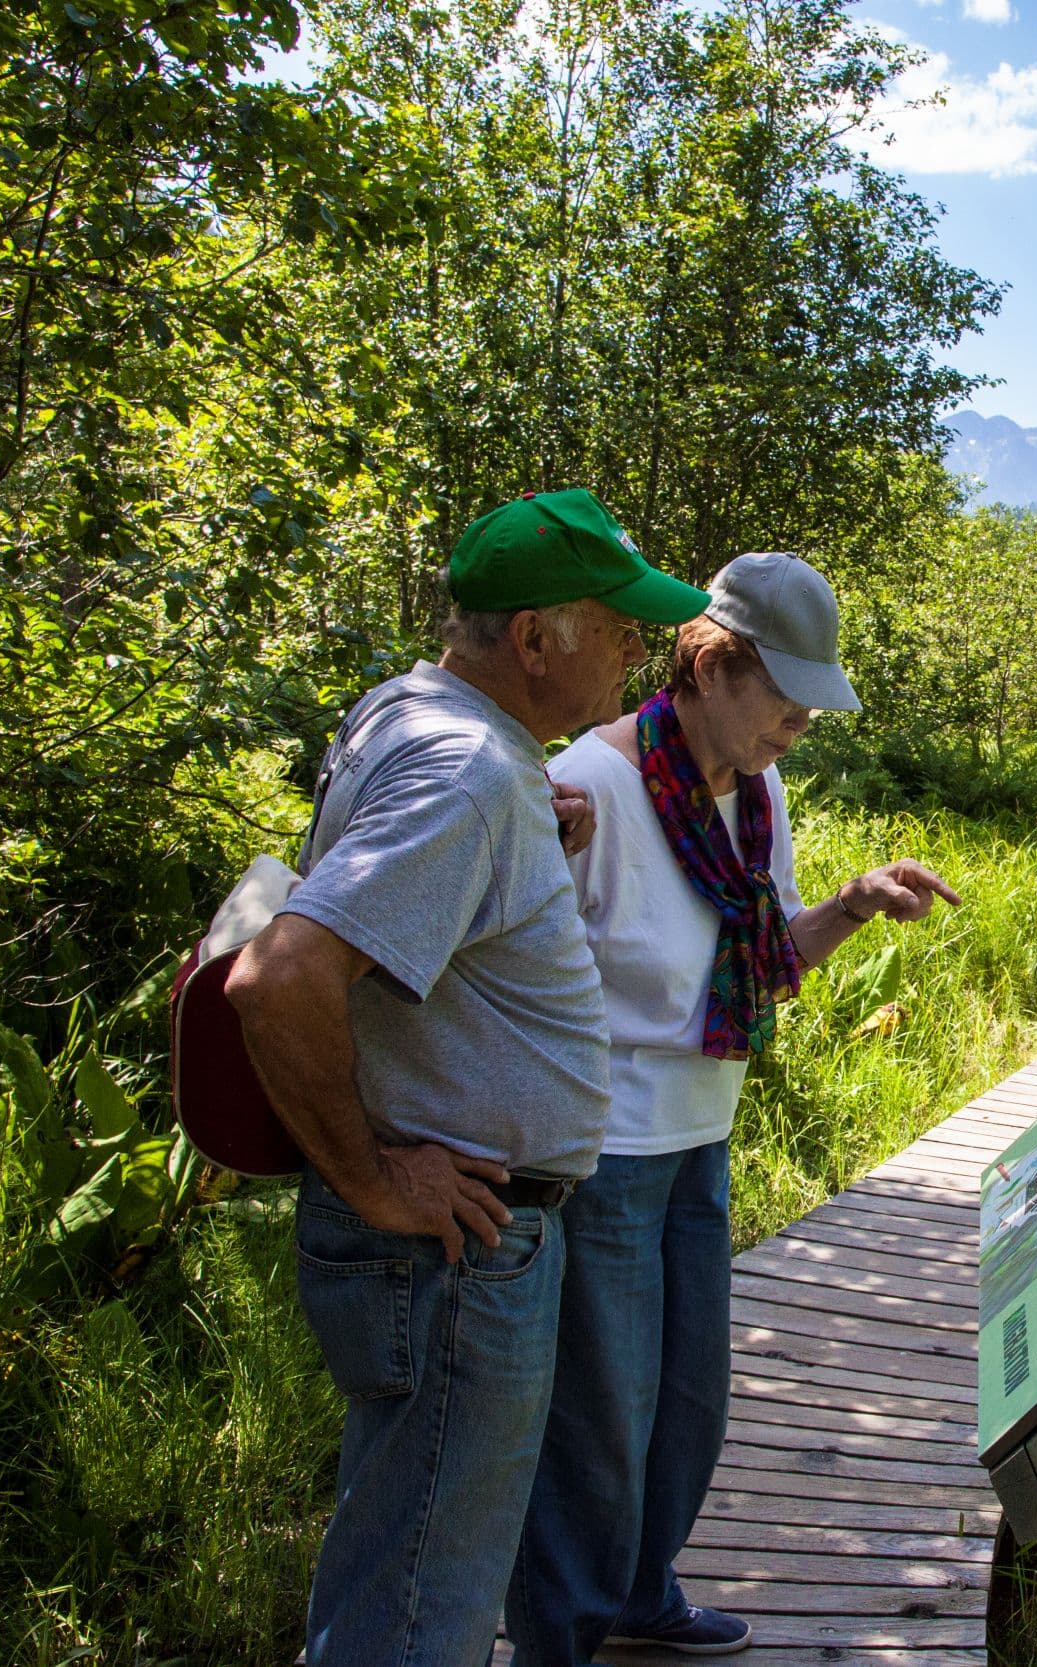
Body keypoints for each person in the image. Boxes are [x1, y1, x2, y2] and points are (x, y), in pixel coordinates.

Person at [225, 489, 710, 1667]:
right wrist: (378, 1174)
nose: (642, 654)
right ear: (537, 639)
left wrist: (523, 838)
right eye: (621, 627)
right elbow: (276, 976)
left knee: (401, 1555)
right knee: (422, 1605)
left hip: (442, 1243)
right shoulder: (467, 772)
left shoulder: (415, 716)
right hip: (451, 1244)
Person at [508, 551, 961, 1661]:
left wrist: (854, 903)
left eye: (810, 710)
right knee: (598, 1421)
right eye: (788, 702)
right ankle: (560, 1635)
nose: (798, 727)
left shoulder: (754, 794)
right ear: (709, 663)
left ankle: (640, 1594)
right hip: (603, 1150)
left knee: (690, 1401)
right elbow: (514, 978)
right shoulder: (590, 787)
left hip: (701, 1138)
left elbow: (761, 963)